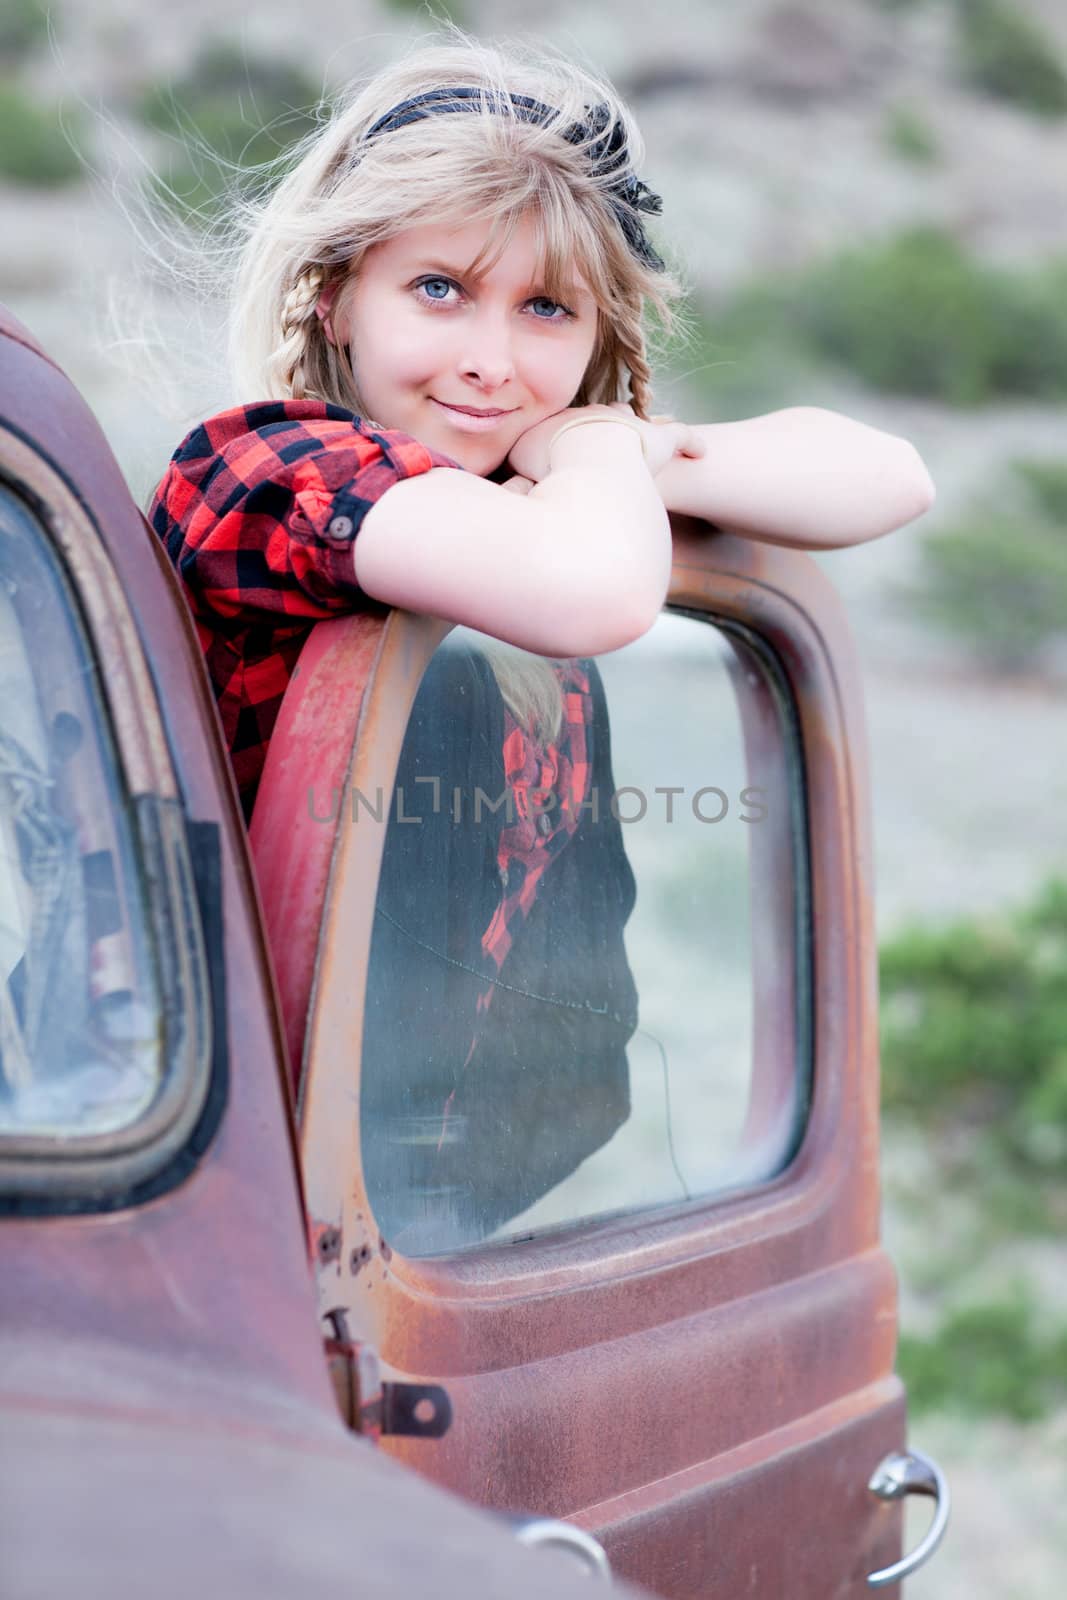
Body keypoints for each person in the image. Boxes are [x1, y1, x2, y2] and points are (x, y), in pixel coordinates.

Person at [147, 31, 936, 1249]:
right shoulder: (262, 463)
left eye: (545, 309)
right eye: (437, 289)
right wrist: (595, 462)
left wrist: (618, 447)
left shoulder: (565, 493)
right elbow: (587, 597)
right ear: (333, 292)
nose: (489, 360)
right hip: (205, 1187)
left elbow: (890, 476)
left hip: (424, 1204)